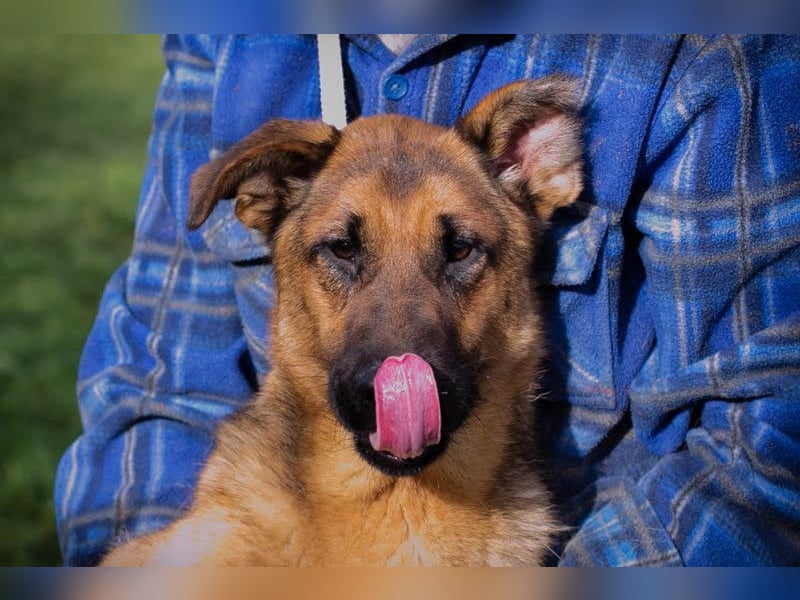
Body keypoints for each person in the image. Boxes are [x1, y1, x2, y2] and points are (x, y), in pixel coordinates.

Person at [55, 34, 800, 566]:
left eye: (460, 251)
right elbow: (160, 380)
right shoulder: (225, 34)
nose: (399, 343)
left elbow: (768, 450)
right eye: (343, 252)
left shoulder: (703, 49)